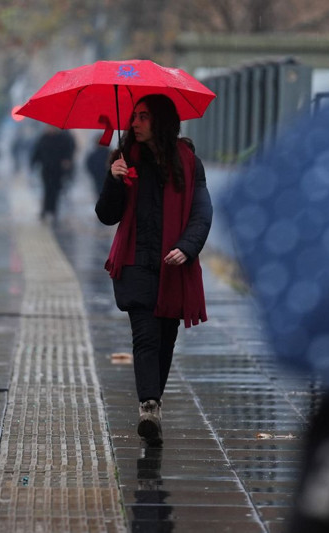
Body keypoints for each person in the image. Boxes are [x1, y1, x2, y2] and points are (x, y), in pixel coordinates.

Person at [95, 94, 212, 446]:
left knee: (165, 340)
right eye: (133, 117)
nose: (134, 123)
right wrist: (114, 179)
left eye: (142, 117)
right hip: (135, 263)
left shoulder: (189, 162)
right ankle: (148, 406)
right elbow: (106, 215)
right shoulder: (124, 159)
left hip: (172, 265)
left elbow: (201, 213)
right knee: (145, 336)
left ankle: (154, 405)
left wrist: (187, 248)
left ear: (160, 121)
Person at [30, 125, 76, 221]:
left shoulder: (64, 138)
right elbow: (37, 152)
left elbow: (70, 150)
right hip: (46, 169)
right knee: (47, 189)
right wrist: (33, 164)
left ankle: (53, 210)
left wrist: (67, 160)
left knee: (55, 190)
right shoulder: (43, 138)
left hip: (58, 170)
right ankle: (46, 209)